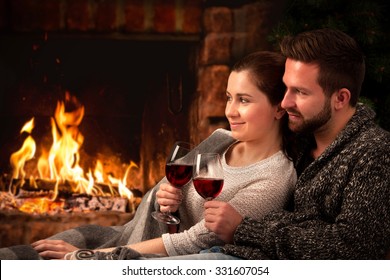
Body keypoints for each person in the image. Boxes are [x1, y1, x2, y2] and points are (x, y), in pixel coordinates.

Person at [0, 51, 297, 260]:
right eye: (229, 98)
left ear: (279, 108)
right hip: (136, 235)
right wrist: (172, 204)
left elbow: (197, 242)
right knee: (23, 257)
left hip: (159, 258)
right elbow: (168, 203)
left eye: (244, 100)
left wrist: (91, 256)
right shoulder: (220, 141)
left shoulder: (273, 178)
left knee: (56, 260)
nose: (230, 111)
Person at [168, 28, 389, 260]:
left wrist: (244, 229)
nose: (285, 102)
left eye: (300, 92)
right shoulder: (300, 138)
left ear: (340, 99)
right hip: (233, 255)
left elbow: (354, 247)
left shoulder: (374, 152)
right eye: (286, 88)